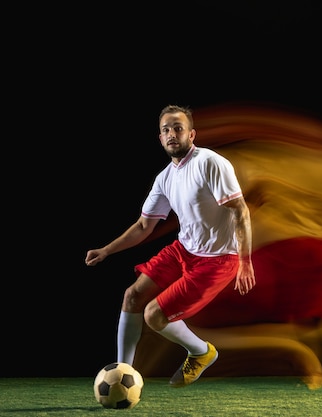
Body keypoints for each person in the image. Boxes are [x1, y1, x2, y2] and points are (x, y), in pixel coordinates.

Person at [85, 104, 256, 387]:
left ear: (192, 134)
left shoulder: (211, 163)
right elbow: (143, 226)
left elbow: (241, 211)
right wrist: (106, 250)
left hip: (218, 259)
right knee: (132, 296)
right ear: (160, 138)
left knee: (154, 315)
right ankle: (121, 374)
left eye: (178, 128)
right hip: (184, 250)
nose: (172, 134)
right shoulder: (165, 178)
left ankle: (202, 352)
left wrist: (245, 261)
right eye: (166, 130)